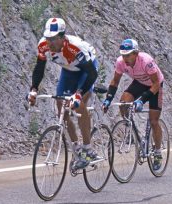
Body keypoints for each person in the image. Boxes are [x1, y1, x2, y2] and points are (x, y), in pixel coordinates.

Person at [27, 18, 98, 169]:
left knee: (79, 105)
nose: (50, 43)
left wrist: (78, 93)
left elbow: (92, 74)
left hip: (86, 70)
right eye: (47, 38)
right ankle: (77, 149)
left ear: (62, 37)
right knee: (61, 109)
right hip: (68, 71)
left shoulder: (75, 47)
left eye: (53, 39)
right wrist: (33, 89)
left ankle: (87, 147)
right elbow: (39, 68)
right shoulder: (43, 46)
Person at [102, 39, 164, 170]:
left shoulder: (146, 61)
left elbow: (156, 84)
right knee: (124, 102)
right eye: (123, 55)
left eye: (128, 55)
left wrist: (142, 100)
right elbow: (114, 81)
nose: (125, 58)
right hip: (139, 83)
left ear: (136, 53)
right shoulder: (120, 62)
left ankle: (157, 152)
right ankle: (131, 130)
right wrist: (108, 99)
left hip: (155, 85)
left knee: (153, 121)